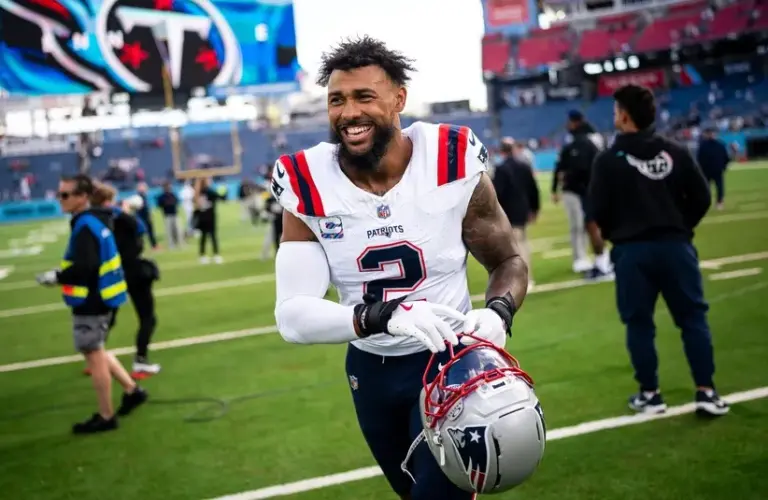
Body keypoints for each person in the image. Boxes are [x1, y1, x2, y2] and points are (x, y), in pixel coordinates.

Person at [271, 36, 529, 500]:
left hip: (449, 363)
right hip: (370, 370)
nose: (348, 112)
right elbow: (293, 316)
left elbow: (507, 260)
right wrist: (385, 315)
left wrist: (499, 312)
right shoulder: (307, 182)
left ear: (398, 100)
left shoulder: (449, 158)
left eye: (364, 96)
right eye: (337, 99)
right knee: (411, 491)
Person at [588, 84, 729, 417]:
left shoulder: (608, 160)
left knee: (639, 325)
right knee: (693, 319)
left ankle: (651, 395)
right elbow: (702, 197)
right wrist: (681, 228)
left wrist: (616, 236)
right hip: (675, 247)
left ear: (623, 115)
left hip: (632, 252)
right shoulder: (674, 151)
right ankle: (706, 391)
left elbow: (597, 211)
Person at [36, 174, 148, 434]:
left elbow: (86, 268)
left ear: (82, 197)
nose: (60, 199)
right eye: (60, 194)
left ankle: (106, 416)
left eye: (65, 195)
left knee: (93, 354)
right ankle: (132, 390)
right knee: (97, 350)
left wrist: (57, 277)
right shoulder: (94, 221)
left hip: (92, 300)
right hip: (101, 297)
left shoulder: (86, 225)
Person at [91, 182, 162, 379]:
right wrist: (125, 211)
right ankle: (141, 361)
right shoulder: (123, 217)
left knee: (109, 317)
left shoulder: (92, 220)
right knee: (148, 317)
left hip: (111, 273)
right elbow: (141, 230)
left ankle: (95, 358)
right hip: (133, 271)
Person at [552, 110, 611, 277]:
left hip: (590, 190)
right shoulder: (590, 140)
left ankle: (604, 264)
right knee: (592, 226)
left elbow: (586, 168)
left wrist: (571, 179)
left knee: (594, 227)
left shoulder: (586, 143)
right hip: (590, 190)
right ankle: (602, 261)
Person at [492, 139, 540, 290]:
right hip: (522, 211)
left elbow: (496, 194)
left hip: (507, 213)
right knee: (522, 243)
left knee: (515, 248)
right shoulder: (524, 166)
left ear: (501, 152)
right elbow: (533, 189)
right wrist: (534, 209)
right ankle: (527, 279)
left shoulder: (500, 169)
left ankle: (522, 281)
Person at [696, 127, 730, 211]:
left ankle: (719, 202)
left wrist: (723, 167)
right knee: (707, 189)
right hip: (709, 171)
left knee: (718, 187)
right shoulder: (704, 146)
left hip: (714, 170)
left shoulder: (718, 145)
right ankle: (709, 203)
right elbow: (700, 159)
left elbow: (725, 158)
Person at [195, 177, 226, 264]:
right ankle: (216, 255)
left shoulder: (198, 192)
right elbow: (222, 198)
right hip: (210, 218)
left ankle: (202, 255)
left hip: (202, 218)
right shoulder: (209, 191)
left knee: (203, 237)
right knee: (213, 237)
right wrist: (224, 189)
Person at [156, 182, 182, 248]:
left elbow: (176, 202)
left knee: (178, 230)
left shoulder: (172, 194)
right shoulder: (162, 196)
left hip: (175, 214)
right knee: (169, 231)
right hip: (167, 215)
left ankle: (180, 243)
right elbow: (160, 204)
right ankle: (171, 244)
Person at [134, 182, 158, 249]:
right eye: (142, 187)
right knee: (141, 232)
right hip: (142, 217)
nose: (144, 188)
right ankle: (141, 246)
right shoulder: (138, 197)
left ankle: (154, 245)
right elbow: (140, 208)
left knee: (150, 231)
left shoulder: (144, 196)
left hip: (146, 216)